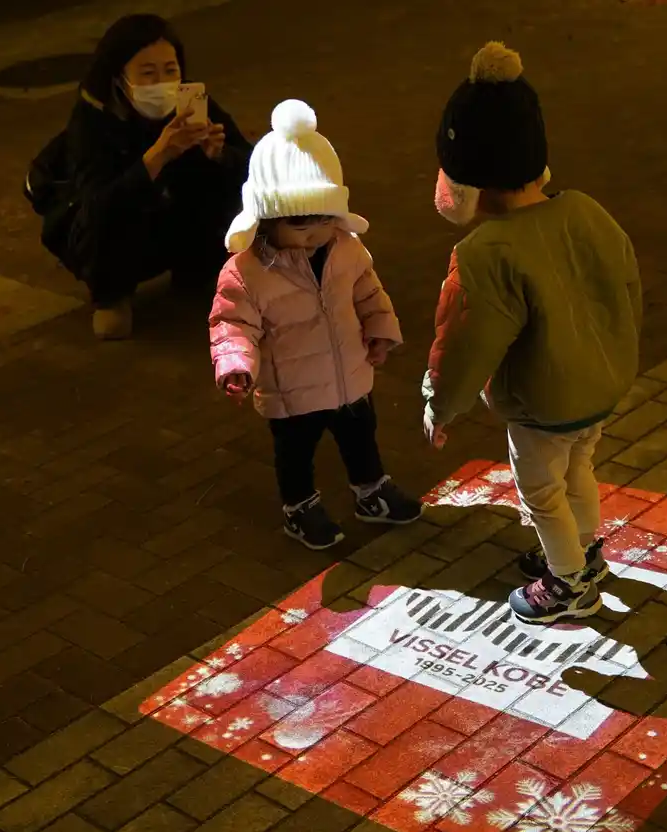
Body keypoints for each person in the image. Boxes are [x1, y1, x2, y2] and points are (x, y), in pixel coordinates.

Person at [422, 42, 644, 625]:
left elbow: (465, 345)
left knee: (541, 491)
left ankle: (568, 583)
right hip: (600, 388)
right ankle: (585, 554)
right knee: (578, 469)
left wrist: (441, 404)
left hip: (541, 403)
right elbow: (626, 293)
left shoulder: (484, 253)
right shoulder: (587, 212)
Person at [209, 99, 422, 550]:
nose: (314, 232)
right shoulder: (246, 272)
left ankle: (371, 489)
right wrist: (235, 363)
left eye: (324, 218)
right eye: (299, 222)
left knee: (361, 437)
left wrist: (380, 329)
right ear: (266, 218)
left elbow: (368, 291)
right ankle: (299, 507)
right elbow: (232, 322)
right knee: (295, 453)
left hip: (349, 374)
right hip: (292, 390)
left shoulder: (346, 248)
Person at [54, 14, 252, 339]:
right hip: (122, 240)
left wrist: (219, 154)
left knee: (229, 180)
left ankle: (196, 267)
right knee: (112, 211)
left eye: (170, 70)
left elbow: (253, 164)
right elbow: (96, 208)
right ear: (119, 77)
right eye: (147, 73)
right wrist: (156, 157)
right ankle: (112, 295)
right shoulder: (93, 120)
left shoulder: (190, 103)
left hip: (176, 220)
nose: (162, 83)